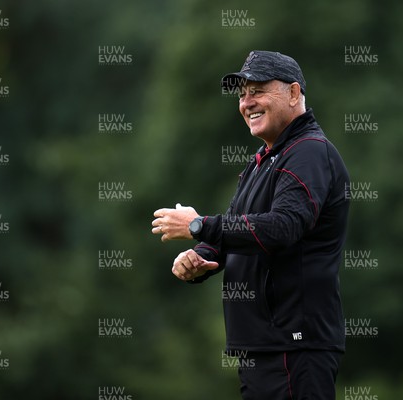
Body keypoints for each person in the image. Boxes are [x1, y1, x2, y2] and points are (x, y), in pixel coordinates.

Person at [152, 50, 350, 400]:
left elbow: (282, 228)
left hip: (294, 346)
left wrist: (199, 225)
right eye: (242, 94)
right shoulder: (263, 161)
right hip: (264, 347)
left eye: (257, 90)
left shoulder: (309, 152)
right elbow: (235, 232)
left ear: (292, 93)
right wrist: (199, 258)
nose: (247, 103)